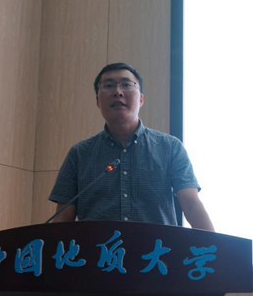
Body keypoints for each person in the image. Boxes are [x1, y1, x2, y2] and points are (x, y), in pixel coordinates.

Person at [49, 62, 214, 231]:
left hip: (157, 248)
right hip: (97, 248)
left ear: (141, 99)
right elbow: (63, 218)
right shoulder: (80, 154)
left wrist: (216, 246)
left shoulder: (170, 147)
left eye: (126, 85)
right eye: (108, 86)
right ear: (98, 101)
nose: (117, 92)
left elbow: (191, 205)